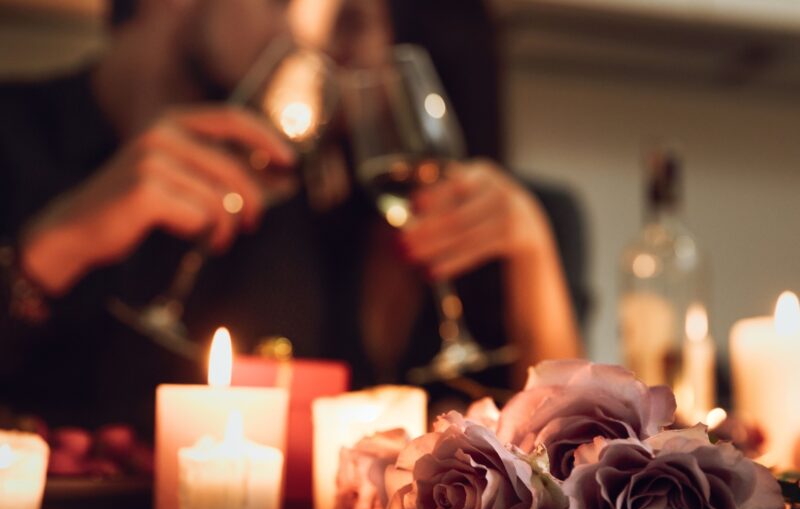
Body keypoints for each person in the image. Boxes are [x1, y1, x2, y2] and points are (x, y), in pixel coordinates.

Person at [0, 0, 583, 432]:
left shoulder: (283, 206)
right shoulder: (14, 128)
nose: (314, 41)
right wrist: (58, 245)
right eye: (286, 3)